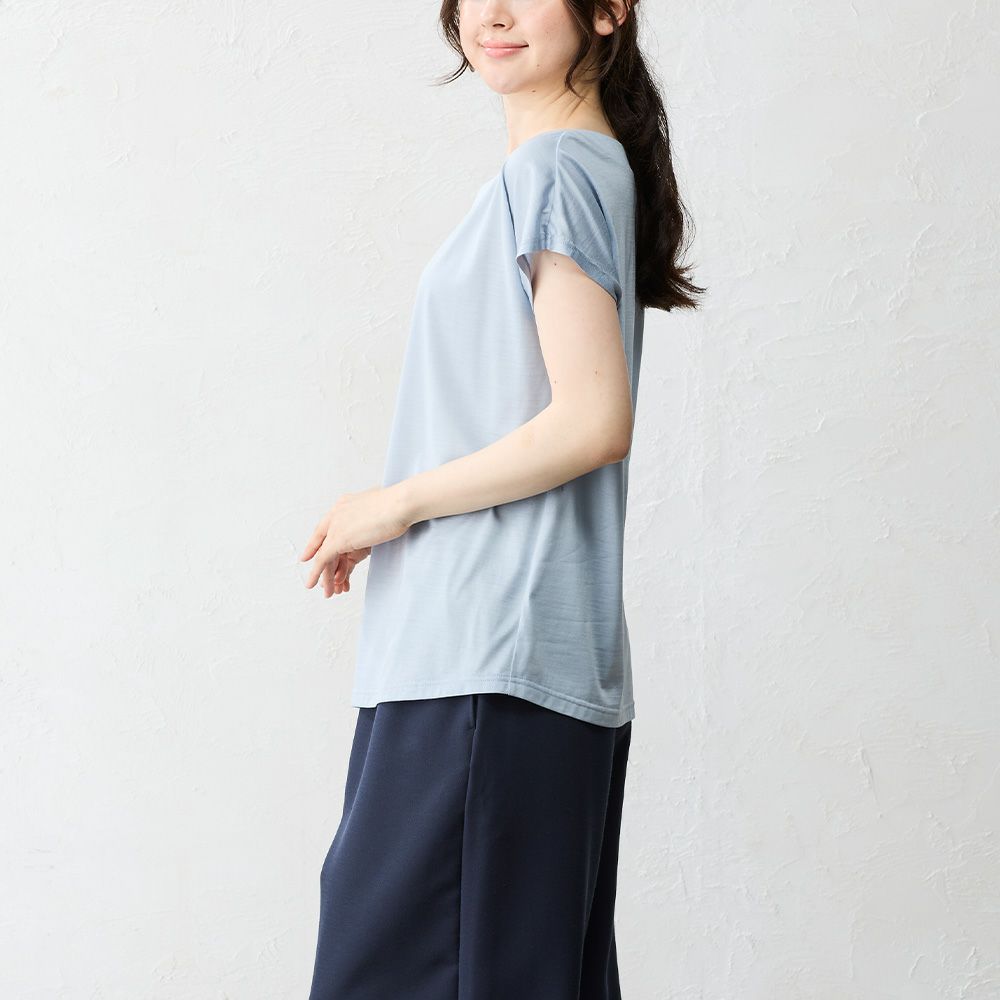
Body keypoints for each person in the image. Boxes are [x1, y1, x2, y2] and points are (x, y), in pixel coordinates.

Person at [299, 1, 703, 997]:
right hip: (493, 661)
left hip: (486, 656)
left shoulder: (558, 169)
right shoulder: (571, 168)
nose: (493, 12)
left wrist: (393, 504)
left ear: (605, 11)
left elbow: (593, 419)